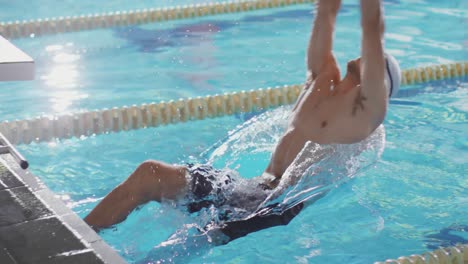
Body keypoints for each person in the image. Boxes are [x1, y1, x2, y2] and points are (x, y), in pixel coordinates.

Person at [85, 0, 401, 243]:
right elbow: (326, 15)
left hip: (272, 207)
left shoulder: (365, 121)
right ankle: (73, 242)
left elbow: (373, 31)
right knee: (148, 174)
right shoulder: (321, 84)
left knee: (184, 246)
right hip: (246, 188)